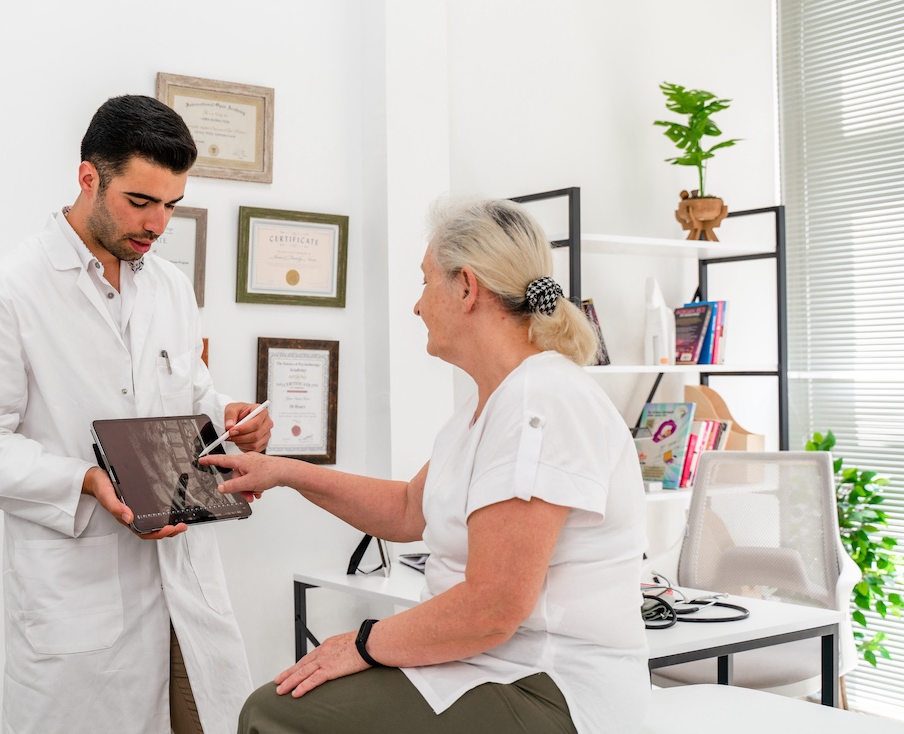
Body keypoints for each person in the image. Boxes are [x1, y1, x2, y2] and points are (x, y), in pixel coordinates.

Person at [202, 198, 650, 734]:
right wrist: (283, 471)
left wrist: (364, 643)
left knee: (274, 715)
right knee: (281, 703)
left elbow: (492, 608)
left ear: (467, 287)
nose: (417, 307)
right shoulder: (490, 406)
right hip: (489, 665)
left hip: (551, 687)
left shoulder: (540, 403)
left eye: (424, 282)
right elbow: (408, 510)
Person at [0, 95, 272, 734]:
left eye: (172, 205)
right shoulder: (5, 293)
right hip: (84, 601)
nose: (157, 224)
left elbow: (190, 397)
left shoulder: (168, 285)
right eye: (140, 202)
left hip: (184, 587)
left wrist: (226, 416)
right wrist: (86, 480)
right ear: (89, 177)